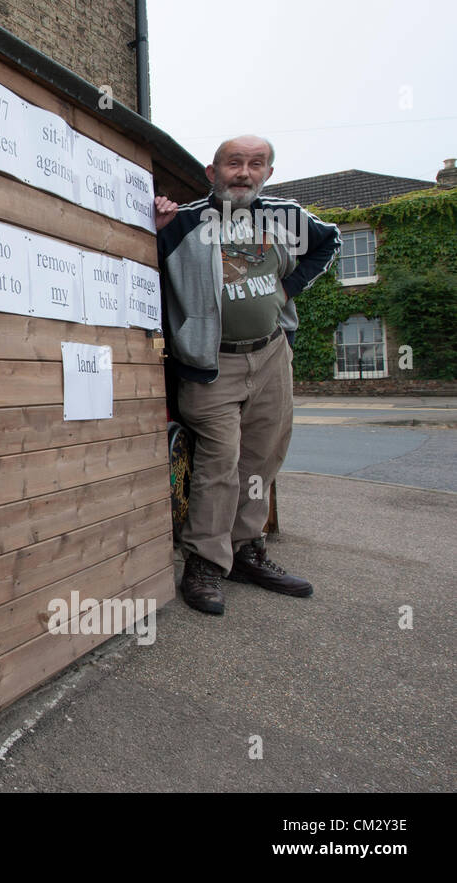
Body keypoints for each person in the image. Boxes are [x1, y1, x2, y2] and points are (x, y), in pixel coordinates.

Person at [153, 135, 341, 614]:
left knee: (261, 459)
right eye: (233, 163)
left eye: (256, 164)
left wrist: (288, 288)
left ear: (268, 174)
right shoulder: (183, 222)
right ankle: (204, 564)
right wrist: (152, 228)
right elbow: (143, 267)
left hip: (272, 354)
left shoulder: (287, 217)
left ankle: (245, 550)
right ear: (213, 172)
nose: (244, 172)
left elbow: (331, 240)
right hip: (212, 362)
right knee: (219, 462)